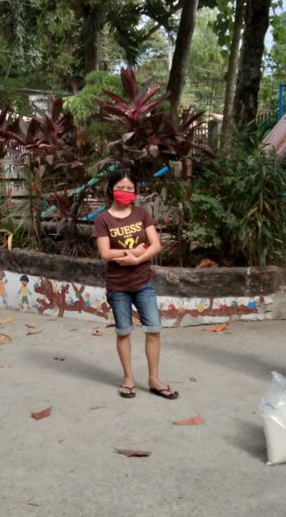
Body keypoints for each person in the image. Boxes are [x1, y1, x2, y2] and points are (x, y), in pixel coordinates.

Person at [93, 170, 177, 400]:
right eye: (122, 188)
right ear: (111, 190)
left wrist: (137, 259)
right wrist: (132, 251)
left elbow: (156, 244)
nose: (126, 192)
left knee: (154, 330)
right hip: (118, 286)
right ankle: (128, 378)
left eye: (130, 188)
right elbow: (105, 253)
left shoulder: (141, 214)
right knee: (123, 332)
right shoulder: (103, 219)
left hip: (143, 282)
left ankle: (154, 379)